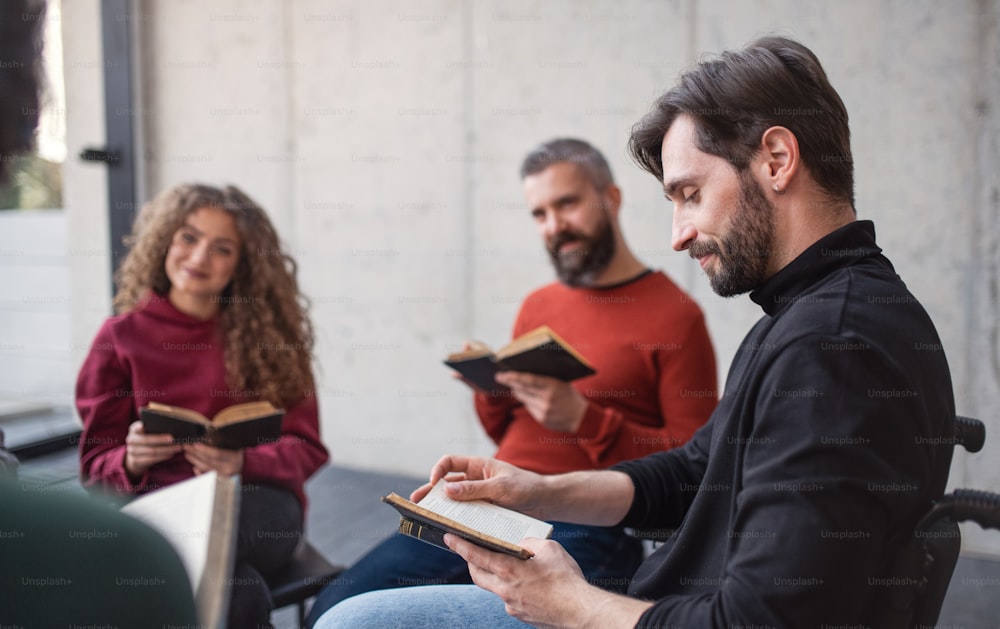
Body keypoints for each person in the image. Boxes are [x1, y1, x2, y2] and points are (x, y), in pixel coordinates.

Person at [312, 35, 956, 629]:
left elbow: (761, 621)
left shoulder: (832, 347)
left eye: (690, 194)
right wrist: (539, 491)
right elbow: (695, 473)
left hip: (650, 611)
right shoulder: (806, 318)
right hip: (661, 600)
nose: (678, 234)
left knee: (350, 622)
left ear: (777, 160)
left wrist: (574, 604)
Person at [305, 138, 718, 626]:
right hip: (498, 499)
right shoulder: (539, 306)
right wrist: (495, 392)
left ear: (611, 198)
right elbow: (508, 434)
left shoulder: (676, 316)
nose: (554, 226)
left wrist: (585, 420)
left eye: (567, 204)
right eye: (539, 214)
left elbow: (695, 471)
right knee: (331, 609)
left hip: (588, 519)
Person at [76, 183, 330, 628]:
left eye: (222, 248)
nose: (198, 259)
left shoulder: (270, 340)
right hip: (162, 505)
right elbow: (96, 466)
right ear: (165, 240)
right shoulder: (119, 338)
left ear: (242, 265)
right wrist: (129, 460)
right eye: (189, 238)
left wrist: (242, 461)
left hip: (259, 506)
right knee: (238, 587)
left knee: (202, 542)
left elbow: (308, 449)